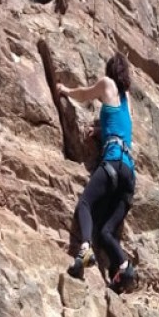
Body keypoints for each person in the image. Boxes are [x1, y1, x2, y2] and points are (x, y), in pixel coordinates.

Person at [57, 53, 137, 293]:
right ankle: (124, 267)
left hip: (112, 162)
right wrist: (102, 130)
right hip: (129, 175)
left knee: (85, 205)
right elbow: (124, 127)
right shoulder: (127, 99)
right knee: (106, 231)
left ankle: (85, 248)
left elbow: (84, 94)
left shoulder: (106, 84)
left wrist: (65, 90)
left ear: (110, 70)